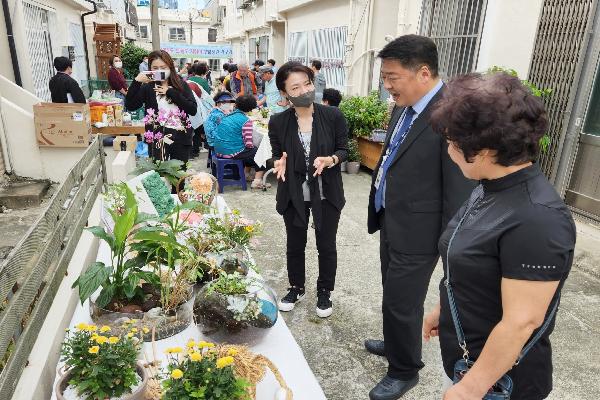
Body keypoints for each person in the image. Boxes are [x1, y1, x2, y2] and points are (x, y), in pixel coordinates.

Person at [423, 72, 576, 400]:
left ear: (482, 150)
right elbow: (471, 260)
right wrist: (444, 309)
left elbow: (522, 322)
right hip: (469, 363)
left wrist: (470, 389)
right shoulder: (490, 186)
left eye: (452, 142)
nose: (448, 151)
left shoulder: (538, 218)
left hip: (499, 385)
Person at [364, 35, 475, 400]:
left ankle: (404, 370)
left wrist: (449, 251)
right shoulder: (405, 103)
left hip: (421, 232)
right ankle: (399, 341)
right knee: (394, 296)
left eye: (392, 76)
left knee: (402, 301)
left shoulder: (451, 115)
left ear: (423, 72)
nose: (387, 84)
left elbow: (458, 190)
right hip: (392, 220)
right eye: (385, 76)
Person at [269, 61, 348, 318]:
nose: (304, 90)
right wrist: (277, 162)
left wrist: (331, 160)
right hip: (293, 191)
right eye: (296, 87)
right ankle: (296, 286)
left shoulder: (332, 115)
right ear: (285, 93)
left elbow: (343, 150)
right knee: (295, 243)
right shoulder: (278, 122)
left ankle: (324, 290)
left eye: (307, 83)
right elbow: (276, 154)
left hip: (326, 191)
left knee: (326, 245)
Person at [125, 50, 197, 165]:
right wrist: (136, 82)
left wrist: (170, 92)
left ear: (170, 67)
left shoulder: (180, 84)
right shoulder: (148, 87)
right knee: (159, 175)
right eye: (155, 68)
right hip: (157, 138)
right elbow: (131, 105)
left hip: (180, 138)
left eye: (163, 67)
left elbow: (192, 109)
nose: (159, 71)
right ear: (150, 69)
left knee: (178, 176)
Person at [213, 94, 268, 189]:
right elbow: (248, 143)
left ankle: (246, 174)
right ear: (251, 108)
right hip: (230, 151)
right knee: (260, 152)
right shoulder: (245, 120)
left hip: (218, 149)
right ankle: (257, 181)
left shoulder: (228, 116)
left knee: (249, 152)